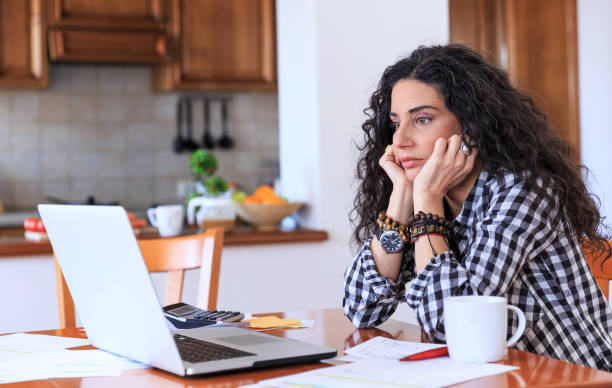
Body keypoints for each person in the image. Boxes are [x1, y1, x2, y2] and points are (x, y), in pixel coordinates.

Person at [343, 44, 612, 371]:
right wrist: (401, 196)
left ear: (471, 126)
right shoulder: (431, 193)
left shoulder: (523, 190)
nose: (400, 141)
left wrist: (426, 204)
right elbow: (362, 308)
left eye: (423, 119)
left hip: (575, 376)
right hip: (491, 375)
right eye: (396, 123)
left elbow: (451, 324)